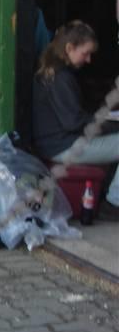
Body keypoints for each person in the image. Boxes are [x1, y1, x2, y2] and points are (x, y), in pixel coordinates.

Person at [32, 20, 119, 221]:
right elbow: (73, 122)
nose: (88, 59)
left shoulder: (50, 70)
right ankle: (113, 203)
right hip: (62, 146)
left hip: (54, 143)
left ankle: (106, 194)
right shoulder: (61, 77)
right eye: (85, 53)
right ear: (70, 48)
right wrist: (111, 123)